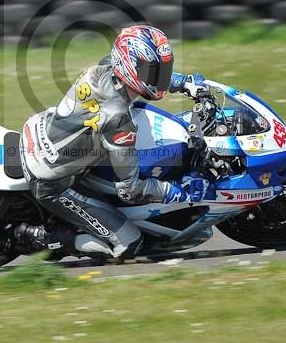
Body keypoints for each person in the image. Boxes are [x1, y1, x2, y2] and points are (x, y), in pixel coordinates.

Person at [16, 24, 210, 258]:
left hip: (42, 130)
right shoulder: (118, 119)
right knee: (129, 244)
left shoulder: (106, 66)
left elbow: (145, 78)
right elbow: (131, 190)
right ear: (130, 66)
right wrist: (178, 191)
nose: (160, 76)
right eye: (155, 71)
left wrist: (182, 83)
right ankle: (40, 237)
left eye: (163, 70)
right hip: (53, 181)